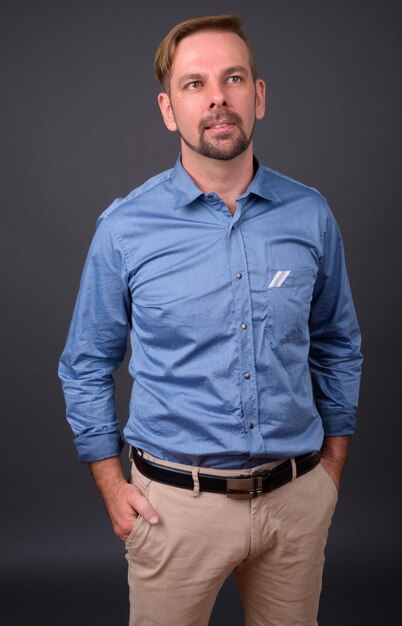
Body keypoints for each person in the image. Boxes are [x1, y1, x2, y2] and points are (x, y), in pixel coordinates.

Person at [59, 14, 362, 626]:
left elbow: (338, 343)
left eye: (233, 78)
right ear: (169, 109)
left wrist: (330, 469)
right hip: (174, 512)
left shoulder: (310, 214)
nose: (218, 97)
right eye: (195, 84)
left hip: (295, 505)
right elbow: (85, 364)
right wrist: (113, 487)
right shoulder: (125, 229)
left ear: (259, 95)